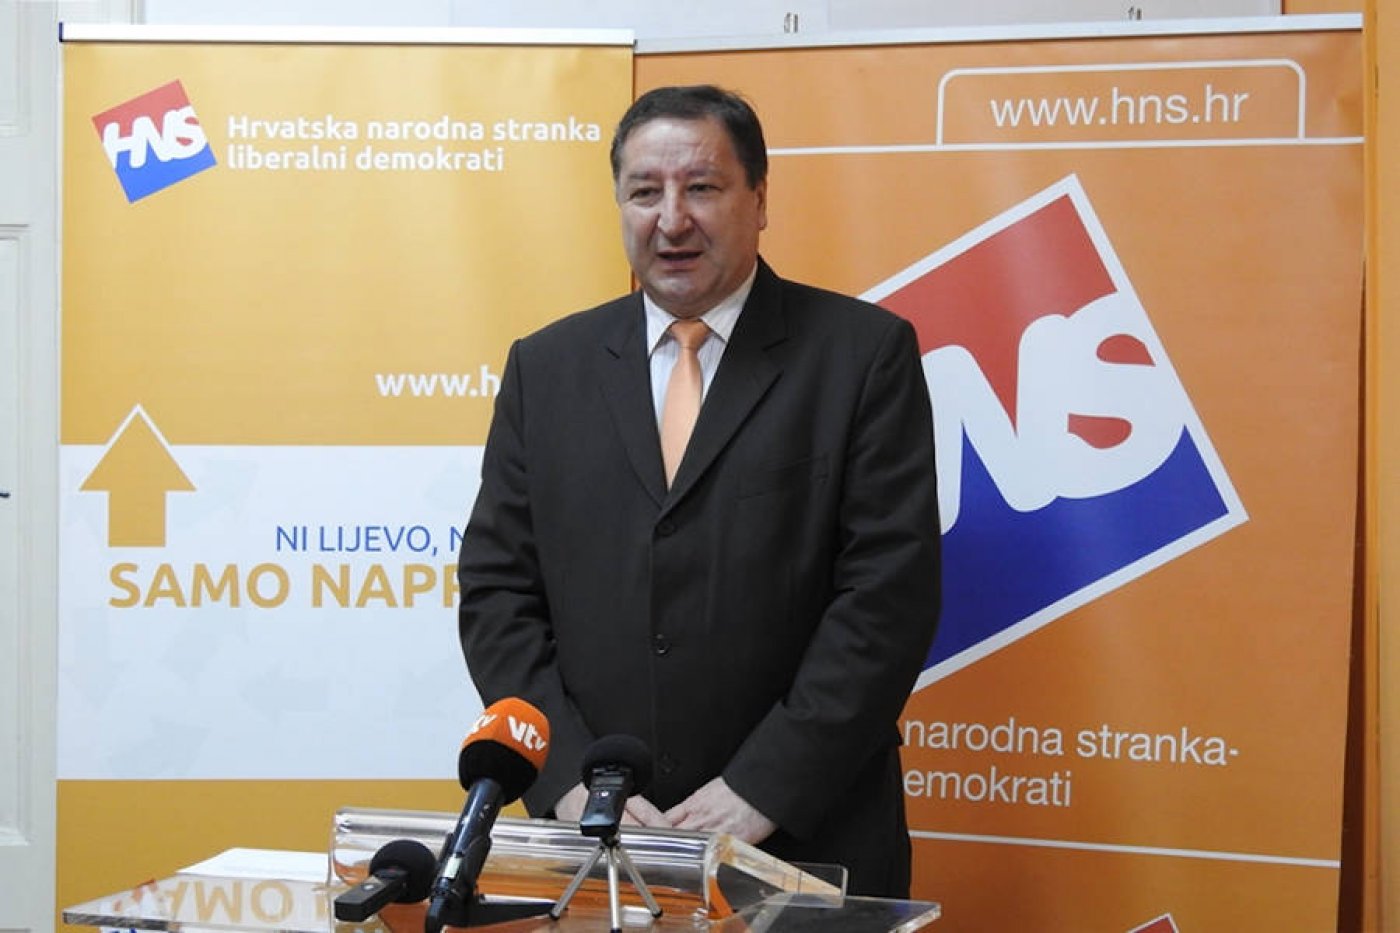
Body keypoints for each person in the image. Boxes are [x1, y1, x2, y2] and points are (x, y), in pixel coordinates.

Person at [457, 84, 940, 898]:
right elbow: (498, 592)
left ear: (760, 200)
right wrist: (571, 780)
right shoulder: (546, 368)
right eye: (645, 192)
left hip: (807, 837)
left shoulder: (862, 356)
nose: (671, 219)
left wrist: (761, 789)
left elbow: (887, 598)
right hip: (598, 841)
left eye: (702, 187)